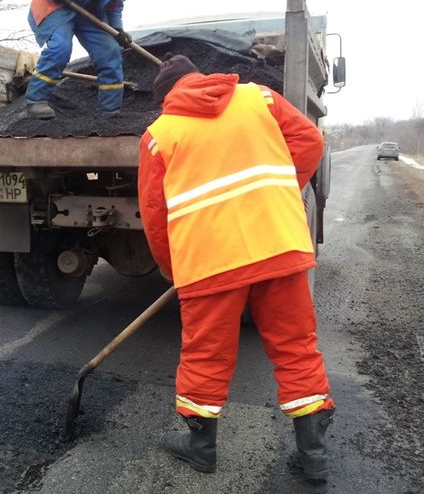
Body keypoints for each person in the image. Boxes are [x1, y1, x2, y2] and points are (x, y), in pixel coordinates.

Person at [137, 55, 335, 482]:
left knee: (206, 355)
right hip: (278, 245)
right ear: (200, 77)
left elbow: (155, 216)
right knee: (296, 346)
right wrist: (277, 192)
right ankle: (314, 453)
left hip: (209, 263)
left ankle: (201, 447)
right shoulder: (258, 98)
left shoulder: (159, 135)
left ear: (166, 97)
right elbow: (309, 143)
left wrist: (175, 269)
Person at [24, 0, 152, 120]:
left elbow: (115, 5)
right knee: (60, 47)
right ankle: (35, 101)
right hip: (56, 1)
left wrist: (117, 29)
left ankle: (109, 114)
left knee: (110, 52)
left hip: (88, 11)